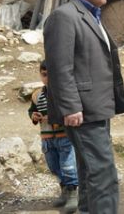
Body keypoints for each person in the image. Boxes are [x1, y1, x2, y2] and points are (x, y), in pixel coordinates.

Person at [44, 0, 124, 214]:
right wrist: (70, 107)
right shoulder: (64, 17)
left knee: (91, 171)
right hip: (82, 111)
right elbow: (59, 67)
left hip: (98, 108)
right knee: (104, 174)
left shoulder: (92, 16)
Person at [28, 60, 78, 213]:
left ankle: (73, 193)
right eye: (44, 75)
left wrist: (55, 118)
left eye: (51, 75)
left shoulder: (65, 94)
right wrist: (34, 116)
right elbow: (32, 110)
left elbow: (71, 112)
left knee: (68, 166)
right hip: (47, 138)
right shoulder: (37, 95)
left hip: (65, 137)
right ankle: (64, 191)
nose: (47, 78)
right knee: (54, 166)